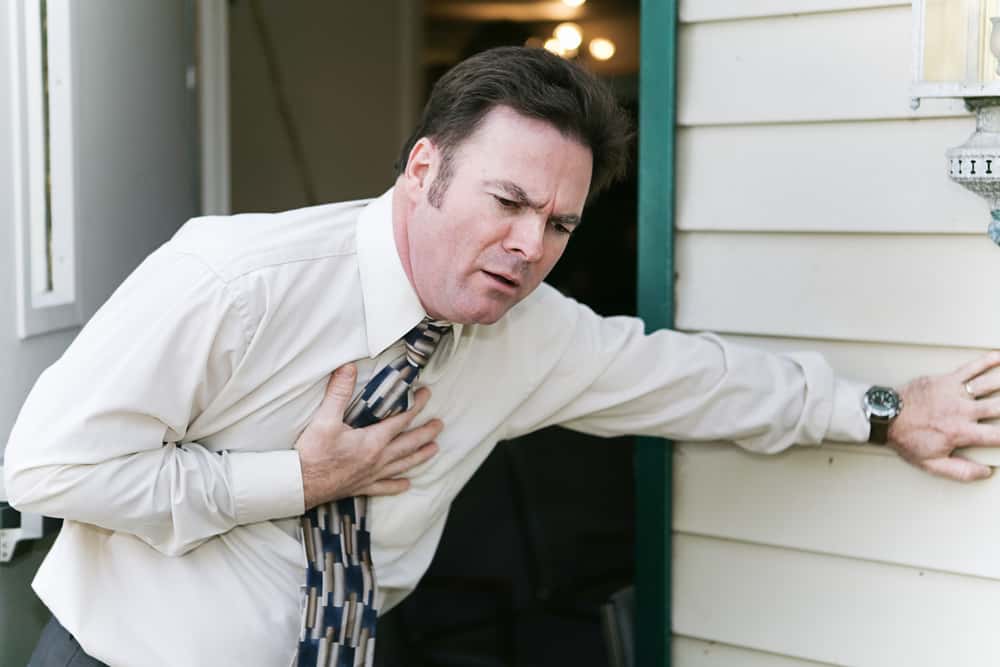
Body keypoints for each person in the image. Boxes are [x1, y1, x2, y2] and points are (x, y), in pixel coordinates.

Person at [6, 46, 1000, 667]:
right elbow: (48, 464)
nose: (533, 244)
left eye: (560, 222)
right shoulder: (232, 278)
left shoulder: (529, 334)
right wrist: (297, 478)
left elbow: (698, 381)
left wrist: (884, 408)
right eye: (510, 203)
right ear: (425, 168)